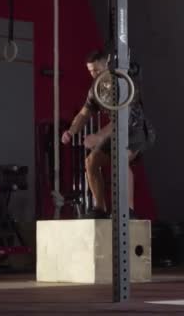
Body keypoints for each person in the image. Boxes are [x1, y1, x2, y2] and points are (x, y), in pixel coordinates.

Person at [61, 50, 154, 219]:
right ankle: (100, 208)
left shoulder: (123, 83)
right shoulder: (97, 89)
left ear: (108, 66)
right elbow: (84, 113)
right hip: (117, 132)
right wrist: (71, 131)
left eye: (97, 70)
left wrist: (98, 136)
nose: (94, 75)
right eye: (91, 72)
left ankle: (128, 210)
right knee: (91, 162)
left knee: (120, 159)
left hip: (136, 130)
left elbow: (122, 118)